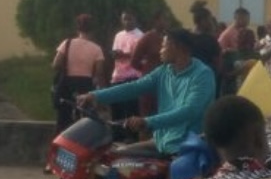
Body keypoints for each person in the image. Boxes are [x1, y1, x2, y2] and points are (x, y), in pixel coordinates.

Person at [78, 29, 215, 156]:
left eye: (164, 46)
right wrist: (95, 96)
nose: (160, 50)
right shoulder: (164, 71)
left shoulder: (203, 75)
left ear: (178, 47)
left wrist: (147, 121)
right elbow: (135, 87)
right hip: (162, 142)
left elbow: (189, 111)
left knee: (168, 176)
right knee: (116, 158)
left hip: (186, 146)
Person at [51, 14, 105, 134]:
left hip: (67, 84)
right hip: (86, 84)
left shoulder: (67, 43)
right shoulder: (97, 49)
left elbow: (55, 64)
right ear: (93, 30)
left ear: (77, 28)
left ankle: (60, 144)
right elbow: (99, 72)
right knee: (86, 119)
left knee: (63, 120)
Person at [130, 8, 172, 119]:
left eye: (167, 19)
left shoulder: (169, 37)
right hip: (150, 82)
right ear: (156, 21)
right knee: (147, 116)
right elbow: (134, 61)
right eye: (164, 19)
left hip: (167, 82)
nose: (167, 22)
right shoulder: (147, 37)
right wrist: (147, 70)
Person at [109, 11, 144, 128]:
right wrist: (115, 54)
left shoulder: (140, 36)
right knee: (117, 110)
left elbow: (141, 57)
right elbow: (115, 52)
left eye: (130, 19)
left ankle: (131, 135)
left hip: (133, 76)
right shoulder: (118, 35)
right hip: (117, 76)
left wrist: (125, 55)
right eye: (125, 19)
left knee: (131, 110)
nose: (127, 22)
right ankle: (118, 134)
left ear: (135, 19)